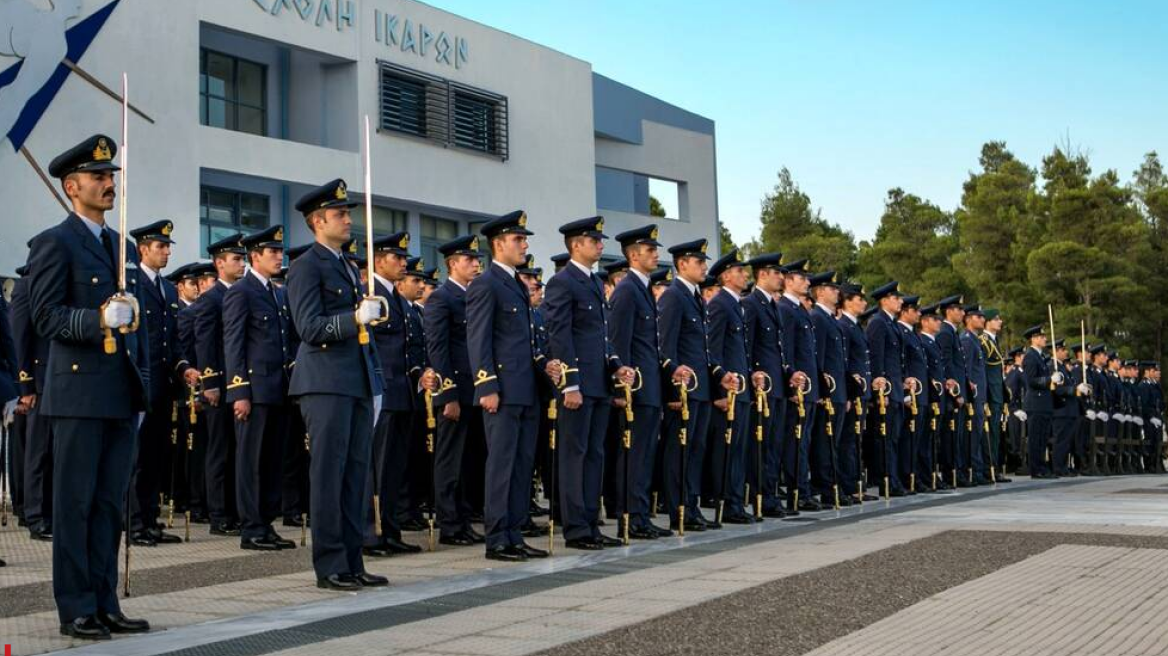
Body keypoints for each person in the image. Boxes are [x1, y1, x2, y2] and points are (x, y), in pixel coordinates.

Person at [31, 134, 151, 639]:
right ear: (71, 185)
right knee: (76, 503)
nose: (108, 184)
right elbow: (45, 316)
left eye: (111, 177)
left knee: (108, 503)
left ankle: (105, 602)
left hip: (119, 390)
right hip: (78, 392)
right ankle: (76, 606)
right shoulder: (55, 243)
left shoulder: (121, 246)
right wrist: (97, 319)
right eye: (98, 177)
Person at [286, 178, 387, 590]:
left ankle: (352, 559)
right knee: (329, 474)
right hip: (325, 381)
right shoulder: (306, 265)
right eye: (341, 214)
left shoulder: (346, 263)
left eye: (348, 213)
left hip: (356, 379)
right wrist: (354, 319)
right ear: (317, 221)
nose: (349, 220)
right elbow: (308, 327)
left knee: (356, 475)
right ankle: (330, 565)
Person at [466, 210, 559, 561]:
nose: (524, 245)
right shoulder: (486, 284)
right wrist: (486, 385)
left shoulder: (517, 284)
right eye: (518, 239)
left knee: (522, 466)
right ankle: (497, 538)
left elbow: (523, 342)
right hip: (501, 390)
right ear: (498, 244)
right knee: (502, 464)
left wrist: (543, 364)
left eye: (524, 239)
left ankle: (514, 533)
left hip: (525, 389)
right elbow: (479, 338)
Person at [544, 217, 634, 549]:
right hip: (577, 385)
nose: (600, 245)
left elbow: (601, 336)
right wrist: (569, 384)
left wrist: (616, 367)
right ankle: (576, 528)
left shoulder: (595, 282)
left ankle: (591, 523)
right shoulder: (562, 282)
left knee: (595, 453)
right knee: (574, 454)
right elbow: (560, 335)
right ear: (576, 245)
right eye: (593, 240)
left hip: (598, 383)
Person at [223, 226, 296, 551]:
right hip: (254, 390)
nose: (279, 257)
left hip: (277, 387)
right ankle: (251, 527)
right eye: (273, 252)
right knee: (250, 461)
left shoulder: (278, 293)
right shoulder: (242, 291)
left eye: (280, 252)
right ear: (256, 256)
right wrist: (239, 391)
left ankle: (266, 523)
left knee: (271, 460)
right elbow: (234, 342)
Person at [128, 220, 197, 547]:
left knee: (157, 455)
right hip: (141, 381)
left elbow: (174, 341)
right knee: (138, 456)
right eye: (161, 246)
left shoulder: (168, 289)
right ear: (143, 249)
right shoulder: (131, 283)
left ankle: (151, 519)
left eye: (168, 246)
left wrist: (184, 366)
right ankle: (135, 522)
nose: (167, 251)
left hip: (165, 383)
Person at [607, 226, 673, 537]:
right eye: (650, 250)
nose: (656, 254)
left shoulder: (642, 288)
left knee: (645, 453)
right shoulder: (627, 289)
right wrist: (622, 389)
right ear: (634, 255)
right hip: (635, 388)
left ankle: (641, 514)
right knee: (633, 454)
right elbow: (619, 342)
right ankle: (629, 517)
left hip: (649, 387)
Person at [425, 236, 484, 546]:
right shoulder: (441, 298)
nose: (476, 264)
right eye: (469, 260)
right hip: (455, 392)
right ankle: (449, 523)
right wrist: (447, 394)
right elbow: (438, 349)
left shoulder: (474, 296)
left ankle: (463, 519)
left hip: (474, 390)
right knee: (449, 461)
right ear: (452, 264)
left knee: (468, 461)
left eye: (477, 259)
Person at [658, 240, 713, 530]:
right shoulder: (673, 296)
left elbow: (700, 348)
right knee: (678, 451)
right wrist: (672, 392)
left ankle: (691, 505)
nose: (704, 266)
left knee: (695, 449)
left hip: (699, 389)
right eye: (698, 261)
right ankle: (678, 508)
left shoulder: (696, 297)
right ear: (682, 264)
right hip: (683, 391)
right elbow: (666, 348)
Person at [194, 233, 246, 536]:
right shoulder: (211, 299)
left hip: (238, 383)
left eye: (242, 259)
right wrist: (210, 383)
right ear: (219, 263)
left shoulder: (239, 294)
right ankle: (218, 514)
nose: (242, 264)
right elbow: (205, 344)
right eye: (236, 259)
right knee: (219, 451)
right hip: (220, 387)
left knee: (235, 450)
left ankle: (233, 511)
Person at [705, 250, 756, 522]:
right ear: (726, 276)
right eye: (739, 271)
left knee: (739, 449)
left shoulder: (736, 304)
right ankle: (727, 503)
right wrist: (720, 392)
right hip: (729, 391)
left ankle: (736, 502)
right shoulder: (719, 304)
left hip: (742, 388)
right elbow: (713, 352)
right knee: (727, 450)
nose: (744, 275)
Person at [741, 254, 788, 517]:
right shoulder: (751, 304)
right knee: (761, 444)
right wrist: (751, 375)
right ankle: (762, 497)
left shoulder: (771, 305)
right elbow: (746, 346)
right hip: (761, 385)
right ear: (762, 275)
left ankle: (770, 495)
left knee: (774, 443)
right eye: (776, 272)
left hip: (776, 384)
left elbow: (777, 349)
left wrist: (788, 373)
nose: (781, 277)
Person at [778, 260, 819, 510]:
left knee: (803, 442)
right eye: (802, 278)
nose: (807, 282)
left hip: (808, 387)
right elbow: (788, 351)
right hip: (797, 388)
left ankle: (803, 490)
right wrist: (792, 386)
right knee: (795, 442)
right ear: (788, 281)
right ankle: (797, 493)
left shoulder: (800, 309)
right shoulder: (785, 308)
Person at [808, 271, 848, 506]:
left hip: (839, 391)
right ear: (820, 292)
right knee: (825, 442)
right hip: (828, 392)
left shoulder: (830, 319)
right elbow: (820, 360)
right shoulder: (818, 318)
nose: (837, 293)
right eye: (832, 289)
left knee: (834, 442)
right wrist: (824, 391)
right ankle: (825, 487)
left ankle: (833, 485)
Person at [865, 282, 905, 497]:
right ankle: (887, 481)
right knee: (886, 439)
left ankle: (894, 479)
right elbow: (876, 357)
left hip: (896, 389)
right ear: (884, 300)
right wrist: (881, 390)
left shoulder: (892, 324)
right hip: (886, 390)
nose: (900, 301)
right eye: (896, 297)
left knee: (894, 438)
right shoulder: (878, 323)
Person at [838, 282, 874, 501]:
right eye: (859, 299)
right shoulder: (844, 325)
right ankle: (847, 485)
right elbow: (845, 363)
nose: (864, 303)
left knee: (854, 440)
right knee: (847, 441)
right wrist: (851, 393)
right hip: (850, 392)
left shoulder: (855, 326)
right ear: (847, 301)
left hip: (859, 392)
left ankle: (854, 485)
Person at [1021, 325, 1059, 478]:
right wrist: (1049, 379)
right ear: (1034, 339)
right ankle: (1036, 469)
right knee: (1036, 438)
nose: (1045, 339)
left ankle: (1042, 467)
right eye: (1041, 337)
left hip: (1044, 403)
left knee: (1042, 438)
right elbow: (1031, 381)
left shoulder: (1040, 356)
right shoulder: (1030, 356)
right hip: (1036, 403)